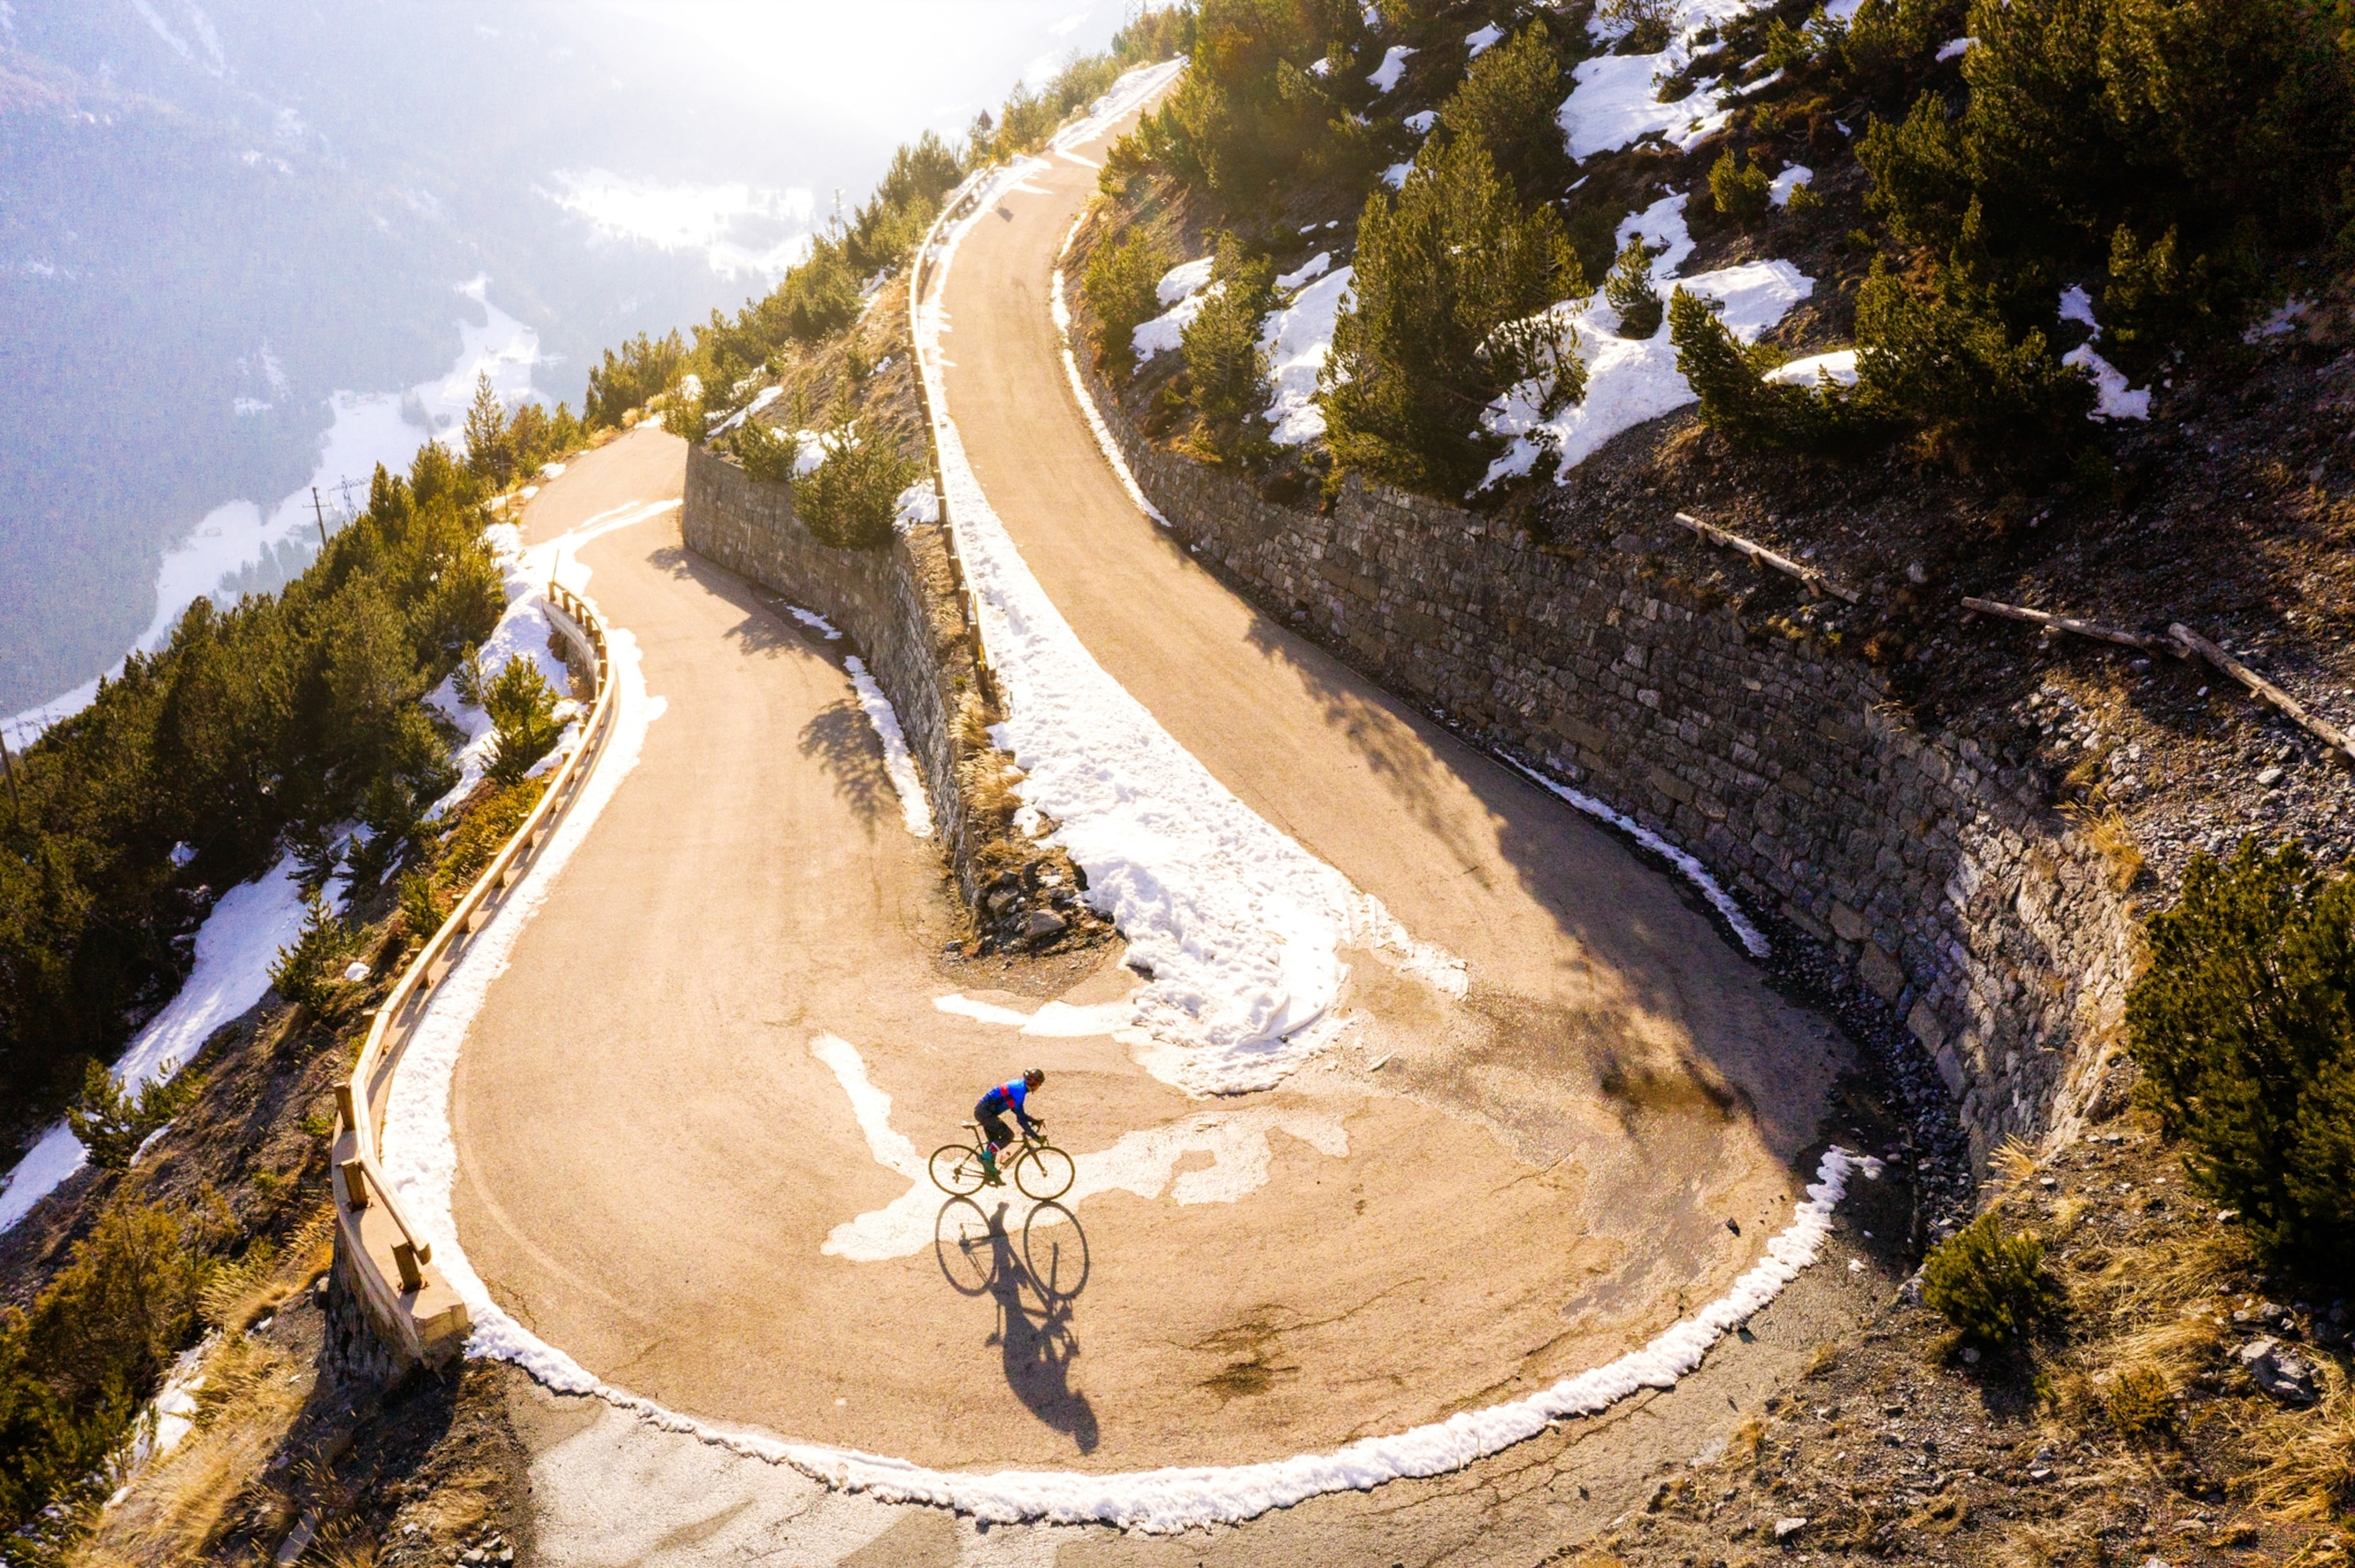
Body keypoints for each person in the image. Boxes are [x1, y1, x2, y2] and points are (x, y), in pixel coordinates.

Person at [975, 1068, 1045, 1186]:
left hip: (985, 1112)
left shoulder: (1019, 1086)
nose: (1040, 1086)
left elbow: (1016, 1110)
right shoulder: (1019, 1093)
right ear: (1033, 1083)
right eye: (1039, 1084)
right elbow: (1020, 1119)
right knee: (1008, 1135)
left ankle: (990, 1175)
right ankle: (984, 1158)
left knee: (995, 1143)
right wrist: (1035, 1136)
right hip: (985, 1114)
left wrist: (1033, 1120)